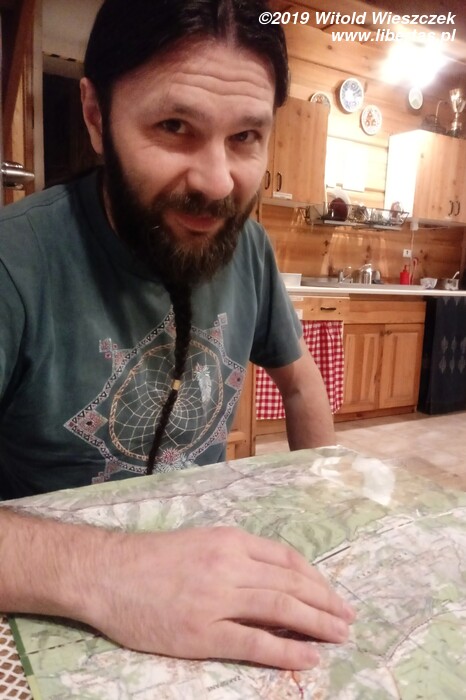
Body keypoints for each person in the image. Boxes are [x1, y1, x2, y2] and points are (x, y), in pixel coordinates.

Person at [0, 0, 355, 670]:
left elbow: (301, 383)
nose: (217, 183)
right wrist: (114, 572)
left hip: (205, 593)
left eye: (245, 137)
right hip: (55, 610)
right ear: (96, 115)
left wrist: (326, 516)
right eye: (174, 126)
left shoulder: (249, 249)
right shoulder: (14, 262)